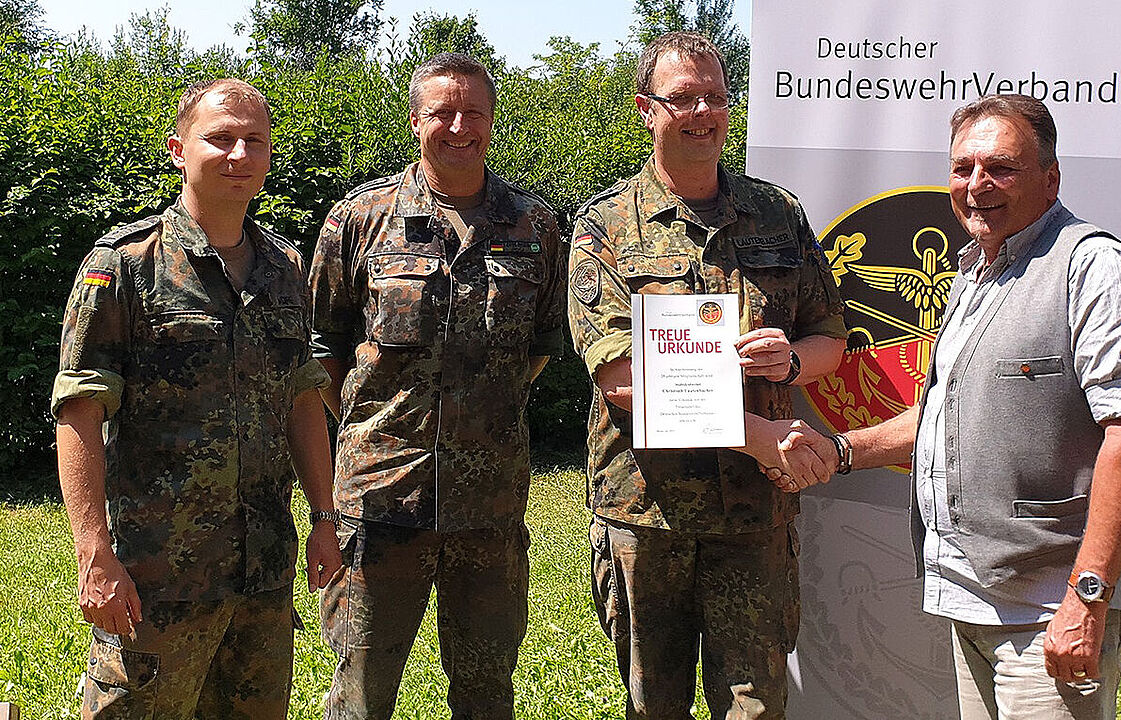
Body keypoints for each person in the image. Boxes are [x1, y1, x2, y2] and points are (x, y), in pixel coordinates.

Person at [780, 94, 1121, 720]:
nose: (976, 185)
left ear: (1051, 179)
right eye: (962, 168)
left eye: (1001, 168)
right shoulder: (975, 273)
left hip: (1050, 610)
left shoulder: (1097, 270)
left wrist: (1087, 598)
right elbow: (942, 418)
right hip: (971, 599)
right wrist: (840, 450)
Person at [565, 31, 847, 720]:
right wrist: (758, 436)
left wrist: (791, 360)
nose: (703, 112)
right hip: (647, 515)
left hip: (754, 520)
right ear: (645, 108)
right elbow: (622, 382)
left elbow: (831, 339)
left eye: (716, 97)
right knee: (652, 705)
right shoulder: (603, 226)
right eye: (684, 97)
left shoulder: (778, 214)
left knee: (753, 708)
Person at [52, 78, 340, 719]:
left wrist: (325, 517)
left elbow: (301, 399)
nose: (239, 155)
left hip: (262, 579)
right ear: (179, 150)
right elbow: (79, 410)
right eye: (219, 139)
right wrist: (94, 552)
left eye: (254, 141)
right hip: (158, 582)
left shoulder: (283, 270)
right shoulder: (126, 265)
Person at [309, 52, 565, 720]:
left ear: (492, 120)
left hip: (489, 508)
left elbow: (541, 343)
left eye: (473, 112)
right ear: (415, 120)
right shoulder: (359, 218)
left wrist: (478, 415)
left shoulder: (534, 227)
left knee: (486, 694)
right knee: (362, 695)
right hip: (378, 500)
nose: (459, 126)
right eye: (442, 113)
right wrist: (376, 428)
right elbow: (321, 345)